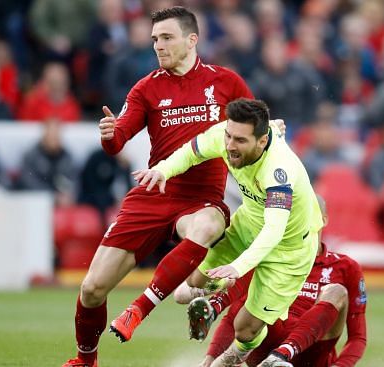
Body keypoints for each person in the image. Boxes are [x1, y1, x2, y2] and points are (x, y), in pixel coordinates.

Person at [62, 6, 253, 367]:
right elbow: (118, 139)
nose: (158, 46)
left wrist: (271, 130)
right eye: (154, 40)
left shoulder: (225, 82)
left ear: (191, 39)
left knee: (209, 224)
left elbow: (256, 127)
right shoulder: (147, 88)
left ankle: (139, 309)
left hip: (201, 198)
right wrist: (108, 135)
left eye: (167, 38)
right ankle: (85, 361)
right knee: (91, 289)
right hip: (154, 193)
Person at [133, 98, 319, 366]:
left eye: (240, 141)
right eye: (229, 136)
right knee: (195, 281)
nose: (230, 146)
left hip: (288, 251)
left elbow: (274, 231)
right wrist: (163, 170)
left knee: (246, 327)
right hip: (247, 225)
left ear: (262, 141)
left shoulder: (280, 170)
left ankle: (231, 358)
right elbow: (190, 152)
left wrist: (238, 267)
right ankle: (208, 300)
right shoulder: (224, 137)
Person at [175, 195, 367, 367]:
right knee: (254, 278)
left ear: (323, 219)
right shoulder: (272, 254)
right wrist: (211, 356)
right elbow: (236, 311)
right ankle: (215, 308)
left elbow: (358, 337)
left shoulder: (346, 266)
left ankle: (280, 355)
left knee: (337, 291)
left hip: (312, 353)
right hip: (265, 342)